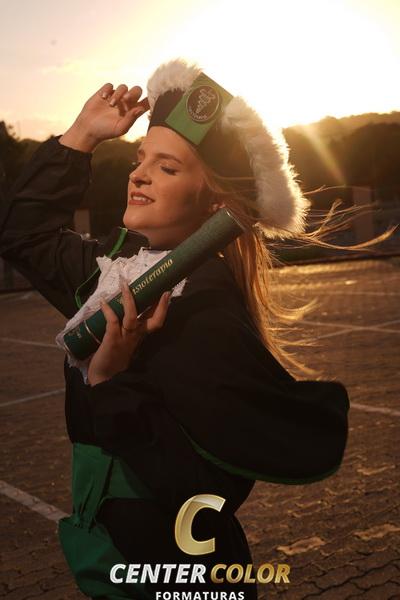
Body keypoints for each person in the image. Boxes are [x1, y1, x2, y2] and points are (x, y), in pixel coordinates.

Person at [0, 58, 351, 600]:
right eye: (140, 158)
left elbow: (203, 499)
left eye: (166, 168)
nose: (138, 174)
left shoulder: (205, 309)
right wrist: (81, 136)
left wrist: (111, 383)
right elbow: (23, 235)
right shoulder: (116, 273)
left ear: (215, 203)